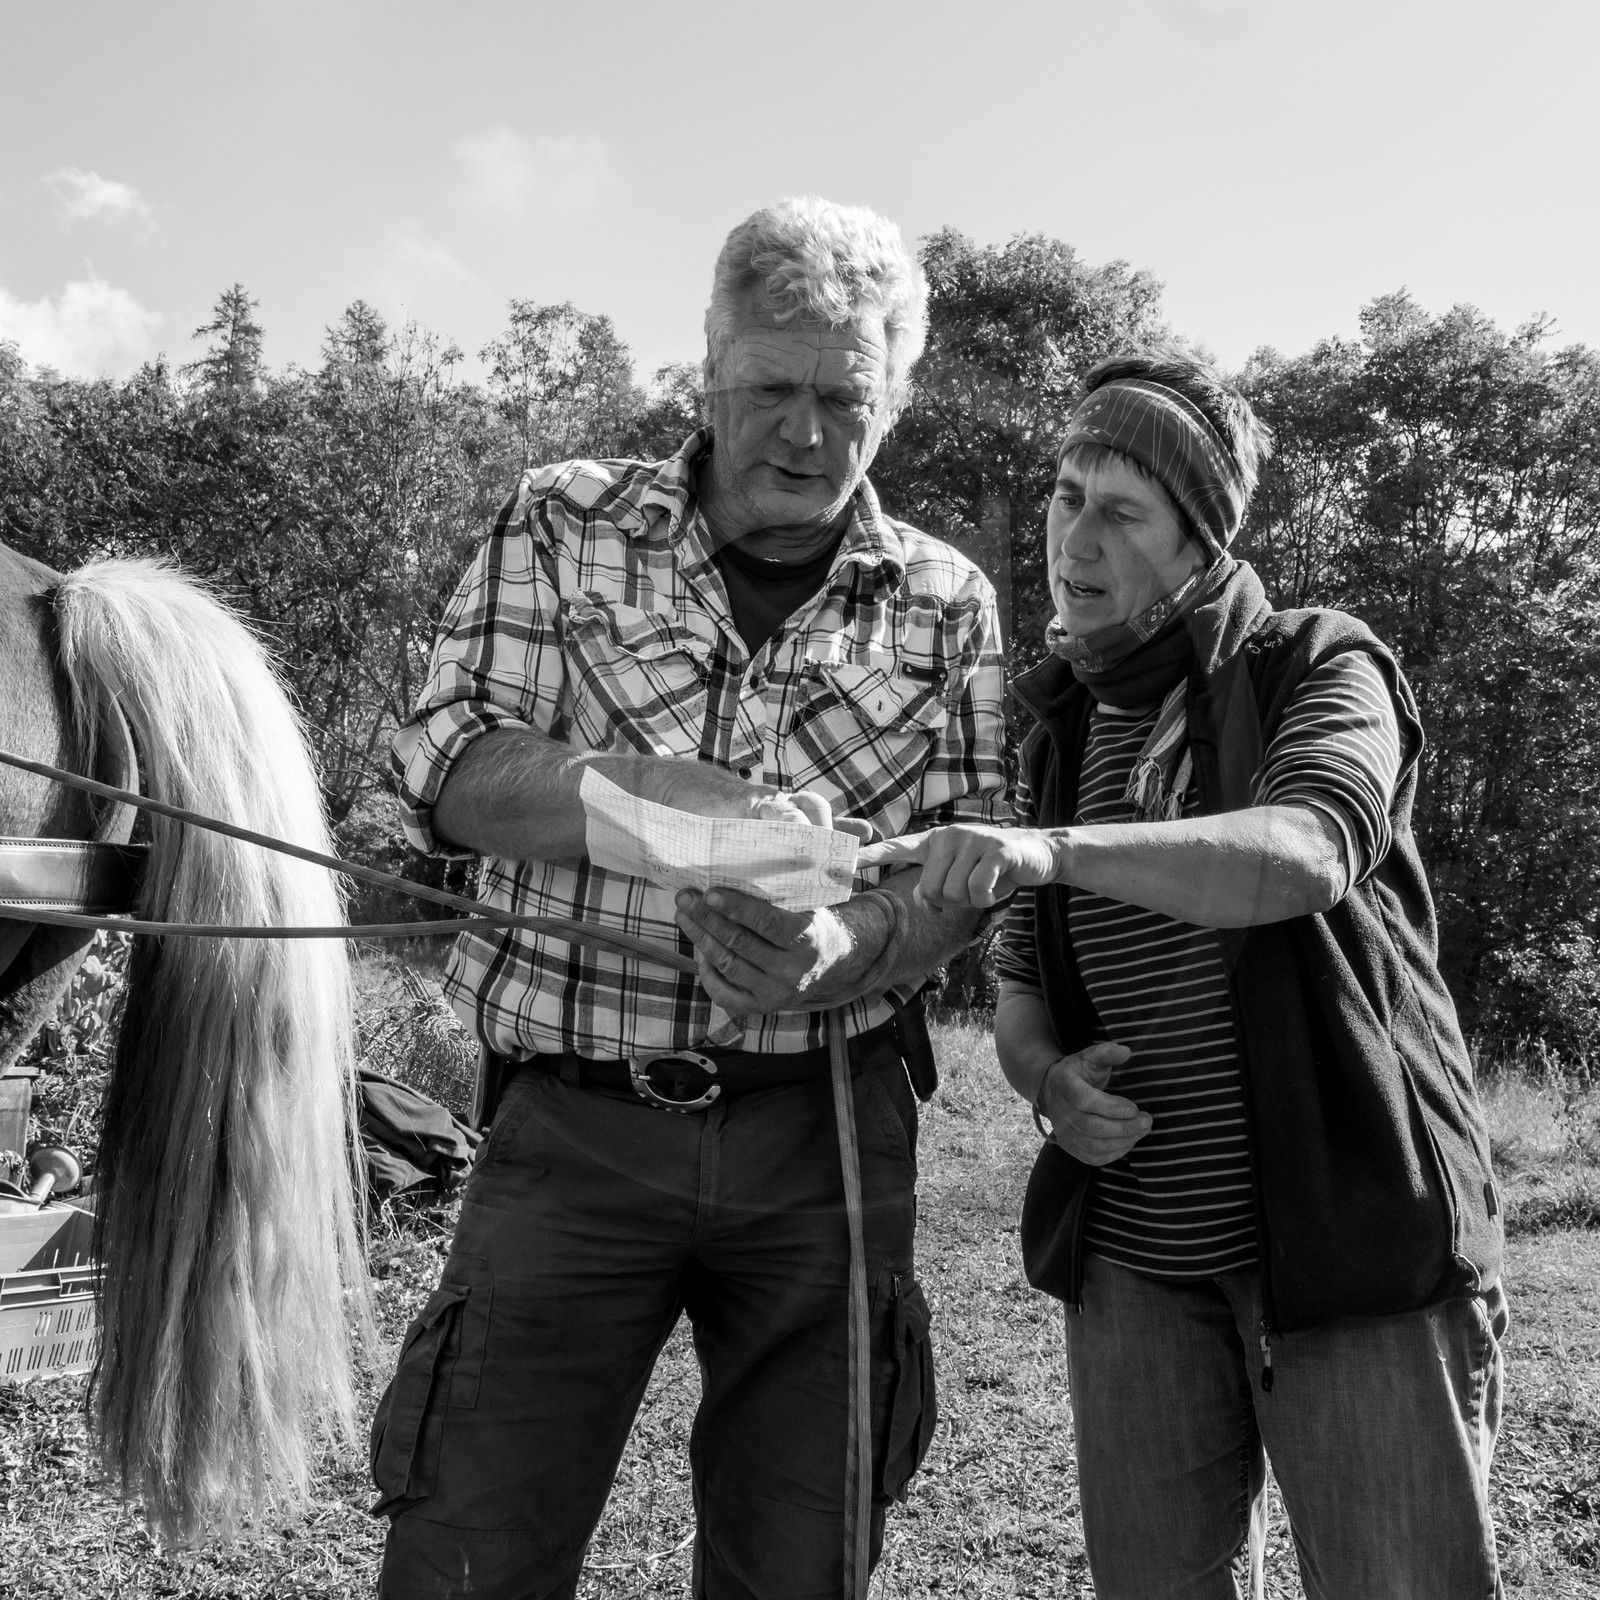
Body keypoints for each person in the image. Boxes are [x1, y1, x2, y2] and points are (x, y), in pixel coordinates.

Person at [371, 196, 1009, 1600]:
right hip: (572, 1131)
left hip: (828, 1139)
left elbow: (965, 875)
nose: (804, 430)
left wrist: (845, 948)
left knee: (803, 1561)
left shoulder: (948, 604)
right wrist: (652, 814)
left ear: (894, 399)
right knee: (470, 1547)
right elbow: (447, 765)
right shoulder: (563, 520)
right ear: (707, 366)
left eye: (844, 396)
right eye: (771, 387)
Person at [864, 352, 1507, 1599]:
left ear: (1203, 539)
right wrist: (1047, 1080)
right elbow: (1019, 978)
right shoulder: (1058, 723)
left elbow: (1303, 852)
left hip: (1350, 1249)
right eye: (1063, 495)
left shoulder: (1319, 663)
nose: (1073, 538)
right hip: (1141, 1268)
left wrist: (1049, 851)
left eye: (1122, 511)